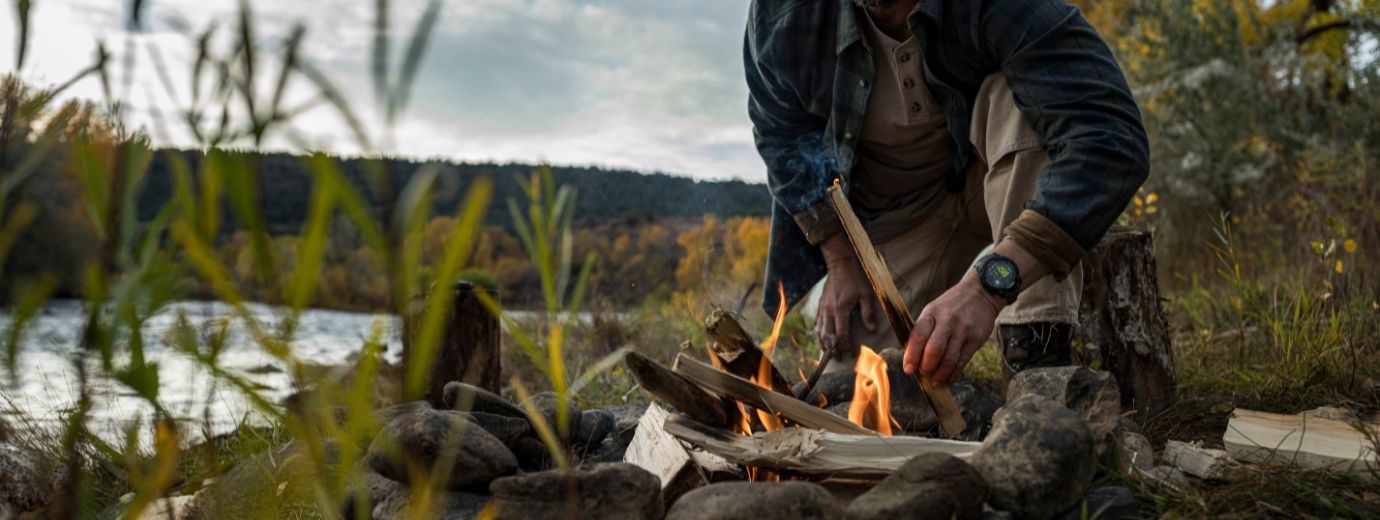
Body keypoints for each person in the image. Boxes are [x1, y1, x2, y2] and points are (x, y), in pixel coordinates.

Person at [746, 0, 1149, 386]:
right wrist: (840, 262)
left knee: (1025, 103)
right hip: (897, 213)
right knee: (857, 383)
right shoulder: (784, 12)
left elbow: (1110, 136)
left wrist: (988, 289)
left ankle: (1035, 357)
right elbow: (782, 135)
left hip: (996, 177)